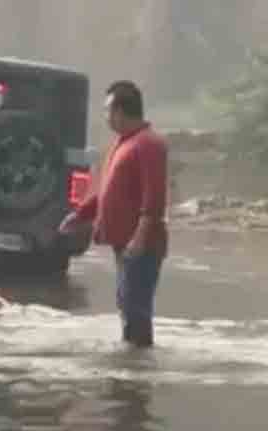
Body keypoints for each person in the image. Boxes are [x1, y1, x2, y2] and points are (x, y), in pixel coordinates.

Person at [59, 80, 169, 348]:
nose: (106, 116)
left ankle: (138, 368)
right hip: (125, 243)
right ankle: (133, 360)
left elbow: (153, 198)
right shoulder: (124, 143)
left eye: (108, 110)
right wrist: (80, 214)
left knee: (135, 308)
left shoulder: (149, 144)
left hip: (141, 245)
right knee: (126, 303)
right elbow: (106, 189)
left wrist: (139, 239)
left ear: (121, 111)